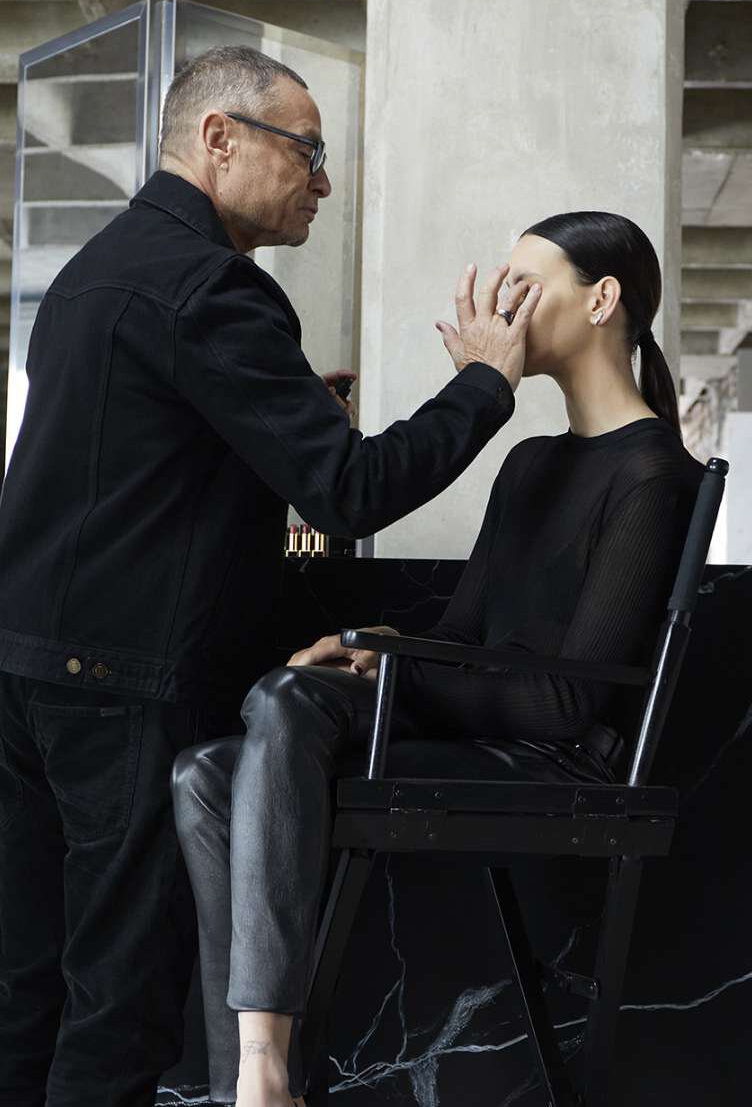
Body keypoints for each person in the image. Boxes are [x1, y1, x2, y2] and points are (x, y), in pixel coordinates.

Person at [0, 46, 539, 1107]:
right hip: (115, 690)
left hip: (21, 669)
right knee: (118, 999)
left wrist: (269, 641)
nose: (322, 184)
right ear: (219, 139)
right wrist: (483, 381)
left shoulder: (92, 272)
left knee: (26, 985)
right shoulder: (211, 287)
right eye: (309, 152)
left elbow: (138, 507)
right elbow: (348, 487)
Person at [171, 210, 704, 1107]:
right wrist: (362, 653)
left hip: (554, 760)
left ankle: (261, 1074)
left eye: (524, 286)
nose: (501, 307)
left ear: (603, 300)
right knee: (205, 771)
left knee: (284, 704)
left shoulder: (655, 472)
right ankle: (251, 1081)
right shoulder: (532, 461)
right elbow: (457, 641)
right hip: (481, 726)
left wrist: (397, 671)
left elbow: (565, 708)